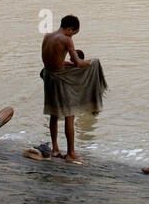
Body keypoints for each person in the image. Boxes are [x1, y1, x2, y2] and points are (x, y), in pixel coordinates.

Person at [39, 15, 107, 164]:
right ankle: (70, 153)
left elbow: (49, 59)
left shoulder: (47, 36)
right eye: (73, 33)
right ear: (69, 29)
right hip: (60, 79)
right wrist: (92, 62)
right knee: (70, 114)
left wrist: (66, 64)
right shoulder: (66, 39)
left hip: (49, 77)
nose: (72, 36)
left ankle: (55, 149)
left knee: (54, 113)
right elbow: (78, 63)